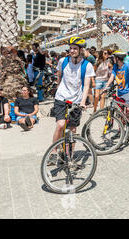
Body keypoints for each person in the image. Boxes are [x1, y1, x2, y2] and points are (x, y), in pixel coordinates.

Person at [49, 37, 95, 165]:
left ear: (81, 50)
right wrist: (58, 87)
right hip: (61, 98)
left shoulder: (87, 65)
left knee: (72, 130)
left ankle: (70, 156)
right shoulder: (63, 61)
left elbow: (86, 85)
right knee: (60, 124)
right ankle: (53, 152)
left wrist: (82, 102)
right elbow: (59, 75)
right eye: (71, 48)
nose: (72, 50)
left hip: (76, 100)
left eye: (75, 48)